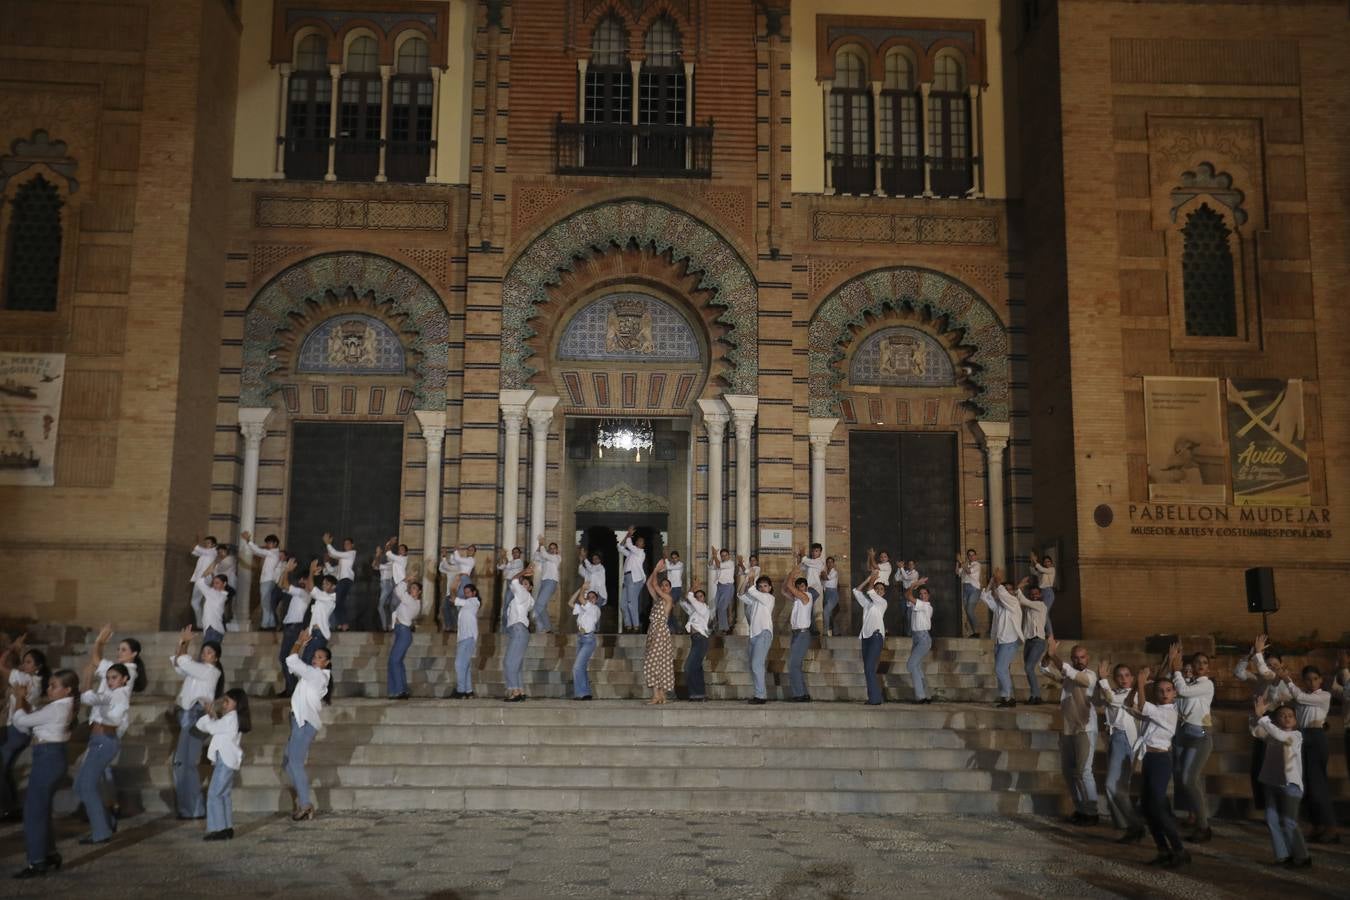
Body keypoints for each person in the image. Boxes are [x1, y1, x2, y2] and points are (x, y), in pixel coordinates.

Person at [9, 668, 79, 879]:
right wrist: (25, 702)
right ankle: (48, 854)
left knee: (33, 812)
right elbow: (32, 720)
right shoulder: (60, 706)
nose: (49, 689)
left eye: (54, 686)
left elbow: (21, 721)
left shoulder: (58, 708)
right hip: (49, 756)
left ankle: (37, 862)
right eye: (49, 685)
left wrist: (20, 698)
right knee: (41, 809)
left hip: (48, 758)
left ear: (67, 690)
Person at [1127, 667, 1190, 867]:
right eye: (1161, 690)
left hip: (1161, 762)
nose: (1164, 693)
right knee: (1147, 807)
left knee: (1157, 808)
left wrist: (1140, 683)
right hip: (1148, 760)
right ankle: (1162, 850)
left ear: (1175, 693)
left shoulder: (1170, 713)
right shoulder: (1156, 710)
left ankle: (1179, 850)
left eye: (1168, 690)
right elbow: (1131, 705)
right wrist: (1137, 686)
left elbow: (1144, 706)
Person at [1273, 660, 1337, 843]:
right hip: (1302, 737)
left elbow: (1300, 698)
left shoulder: (1324, 695)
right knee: (1306, 785)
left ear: (1320, 680)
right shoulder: (1300, 694)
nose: (1311, 682)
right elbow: (1280, 697)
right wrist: (1279, 677)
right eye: (1308, 680)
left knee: (1318, 785)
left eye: (1315, 679)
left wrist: (1288, 679)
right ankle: (1317, 825)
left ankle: (1331, 827)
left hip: (1316, 738)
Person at [73, 656, 130, 846]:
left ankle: (101, 832)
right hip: (96, 740)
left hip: (105, 742)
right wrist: (87, 677)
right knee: (80, 785)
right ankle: (106, 822)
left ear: (124, 679)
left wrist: (88, 678)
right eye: (108, 678)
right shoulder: (110, 693)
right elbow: (88, 697)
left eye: (114, 677)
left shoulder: (120, 695)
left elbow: (113, 720)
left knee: (86, 786)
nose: (110, 681)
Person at [1043, 638, 1100, 825]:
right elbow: (1046, 670)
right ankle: (1080, 809)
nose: (1079, 660)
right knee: (1068, 772)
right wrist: (1047, 656)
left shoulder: (1090, 676)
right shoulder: (1069, 676)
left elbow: (1071, 673)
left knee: (1084, 771)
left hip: (1085, 729)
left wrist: (1054, 656)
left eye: (1082, 657)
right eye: (1075, 658)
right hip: (1068, 729)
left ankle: (1092, 813)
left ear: (1088, 658)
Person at [170, 626, 223, 820]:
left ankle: (195, 809)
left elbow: (183, 660)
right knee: (181, 764)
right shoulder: (197, 670)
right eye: (204, 651)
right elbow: (178, 664)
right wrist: (181, 643)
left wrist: (185, 642)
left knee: (187, 763)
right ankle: (188, 808)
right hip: (186, 715)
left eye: (209, 653)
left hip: (196, 716)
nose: (204, 654)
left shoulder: (210, 671)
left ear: (216, 659)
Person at [1252, 696, 1311, 867]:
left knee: (1289, 822)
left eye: (1290, 715)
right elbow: (1255, 730)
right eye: (1282, 715)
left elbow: (1279, 736)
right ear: (1275, 720)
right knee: (1271, 819)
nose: (1287, 717)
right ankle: (1283, 855)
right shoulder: (1271, 733)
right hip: (1271, 783)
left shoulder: (1295, 735)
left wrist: (1263, 719)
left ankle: (1303, 857)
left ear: (1295, 720)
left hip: (1290, 785)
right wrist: (1257, 714)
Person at [1236, 634, 1292, 810]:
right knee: (1257, 769)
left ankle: (1277, 807)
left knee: (1273, 772)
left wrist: (1259, 653)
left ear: (1282, 667)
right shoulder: (1260, 679)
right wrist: (1249, 656)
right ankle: (1265, 807)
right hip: (1260, 732)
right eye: (1270, 665)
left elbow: (1269, 680)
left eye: (1276, 665)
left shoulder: (1280, 682)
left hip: (1274, 733)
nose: (1273, 668)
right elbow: (1238, 672)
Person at [1166, 642, 1214, 843]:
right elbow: (1178, 696)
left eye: (1204, 662)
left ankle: (1204, 825)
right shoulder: (1191, 684)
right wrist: (1172, 664)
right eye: (1197, 663)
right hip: (1185, 734)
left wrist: (1176, 670)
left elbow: (1183, 691)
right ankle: (1199, 820)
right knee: (1189, 779)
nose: (1200, 665)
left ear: (1208, 667)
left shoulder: (1206, 684)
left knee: (1188, 779)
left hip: (1199, 736)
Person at [283, 628, 331, 821]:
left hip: (304, 723)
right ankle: (304, 799)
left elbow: (292, 660)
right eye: (315, 656)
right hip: (299, 721)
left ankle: (305, 804)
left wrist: (299, 643)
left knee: (294, 763)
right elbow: (294, 666)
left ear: (327, 663)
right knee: (288, 763)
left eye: (320, 657)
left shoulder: (317, 676)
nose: (315, 659)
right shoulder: (312, 675)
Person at [0, 636, 48, 822]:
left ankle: (8, 808)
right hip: (21, 732)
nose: (23, 664)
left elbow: (1, 664)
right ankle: (12, 808)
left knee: (2, 769)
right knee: (5, 770)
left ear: (37, 667)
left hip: (16, 731)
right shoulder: (35, 680)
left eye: (28, 662)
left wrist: (12, 648)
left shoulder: (25, 678)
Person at [1096, 660, 1144, 842]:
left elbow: (1112, 700)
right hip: (1114, 739)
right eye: (1119, 676)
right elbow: (1101, 699)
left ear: (1132, 678)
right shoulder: (1114, 692)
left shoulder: (1134, 694)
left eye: (1127, 675)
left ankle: (1135, 825)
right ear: (1115, 679)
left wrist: (1102, 680)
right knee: (1116, 786)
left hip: (1124, 740)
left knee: (1113, 786)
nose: (1123, 679)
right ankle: (1124, 824)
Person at [196, 688, 250, 841]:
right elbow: (202, 726)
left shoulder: (230, 718)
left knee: (214, 794)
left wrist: (209, 714)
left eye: (228, 701)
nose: (224, 703)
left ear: (237, 704)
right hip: (226, 760)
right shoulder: (230, 718)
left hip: (225, 760)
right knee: (224, 794)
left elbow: (210, 728)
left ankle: (217, 829)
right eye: (224, 700)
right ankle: (226, 827)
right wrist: (211, 716)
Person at [982, 570, 1024, 708]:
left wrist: (999, 580)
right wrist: (991, 582)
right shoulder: (999, 606)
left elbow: (1002, 594)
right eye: (1006, 589)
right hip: (1000, 642)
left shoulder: (1014, 602)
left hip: (1010, 642)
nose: (1007, 592)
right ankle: (1006, 697)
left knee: (1000, 669)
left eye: (1010, 590)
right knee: (1003, 670)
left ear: (1013, 592)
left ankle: (1007, 697)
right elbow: (985, 597)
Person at [741, 571, 778, 705]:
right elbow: (741, 594)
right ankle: (758, 693)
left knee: (757, 664)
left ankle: (761, 696)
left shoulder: (769, 598)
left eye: (765, 586)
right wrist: (746, 579)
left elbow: (751, 590)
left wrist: (751, 579)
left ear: (770, 587)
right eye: (760, 586)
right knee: (754, 666)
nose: (763, 588)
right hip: (753, 635)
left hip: (764, 633)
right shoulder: (755, 599)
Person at [277, 559, 312, 696]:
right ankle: (290, 687)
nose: (301, 582)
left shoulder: (304, 593)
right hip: (291, 627)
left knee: (285, 658)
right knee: (286, 658)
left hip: (294, 627)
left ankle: (292, 688)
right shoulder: (300, 592)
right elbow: (281, 585)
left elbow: (285, 585)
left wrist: (286, 570)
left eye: (303, 580)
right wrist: (284, 571)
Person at [642, 561, 675, 705]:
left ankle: (656, 695)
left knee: (652, 662)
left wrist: (656, 570)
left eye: (666, 586)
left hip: (660, 631)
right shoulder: (657, 600)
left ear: (670, 589)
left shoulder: (668, 599)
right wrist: (654, 572)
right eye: (663, 585)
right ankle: (661, 696)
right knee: (660, 663)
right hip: (653, 630)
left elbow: (655, 586)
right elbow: (650, 585)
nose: (663, 587)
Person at [853, 570, 887, 706]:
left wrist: (873, 579)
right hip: (866, 638)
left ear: (883, 593)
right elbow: (856, 591)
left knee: (869, 667)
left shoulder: (882, 603)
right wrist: (868, 579)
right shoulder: (868, 604)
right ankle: (874, 697)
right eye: (877, 588)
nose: (878, 590)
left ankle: (875, 699)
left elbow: (870, 591)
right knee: (868, 669)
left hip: (876, 637)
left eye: (881, 589)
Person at [502, 568, 535, 702]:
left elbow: (513, 580)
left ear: (530, 587)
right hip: (520, 631)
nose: (523, 585)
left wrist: (523, 572)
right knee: (517, 664)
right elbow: (513, 585)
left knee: (509, 662)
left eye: (526, 584)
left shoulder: (523, 594)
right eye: (523, 583)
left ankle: (514, 691)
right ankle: (520, 690)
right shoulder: (528, 599)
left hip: (518, 630)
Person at [386, 575, 420, 700]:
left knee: (394, 661)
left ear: (419, 592)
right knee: (397, 662)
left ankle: (398, 690)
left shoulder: (412, 601)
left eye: (414, 588)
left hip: (404, 632)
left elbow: (398, 591)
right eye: (411, 588)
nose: (411, 589)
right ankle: (400, 690)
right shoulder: (410, 601)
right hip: (401, 632)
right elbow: (396, 611)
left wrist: (406, 580)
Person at [1015, 578, 1048, 706]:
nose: (1034, 596)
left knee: (1028, 667)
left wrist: (1020, 586)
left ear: (1040, 595)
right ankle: (1035, 695)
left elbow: (1022, 600)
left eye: (1036, 594)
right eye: (1032, 594)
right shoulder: (1028, 607)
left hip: (1038, 641)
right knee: (1028, 669)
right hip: (1029, 641)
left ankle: (1036, 696)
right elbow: (1019, 601)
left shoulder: (1041, 605)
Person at [241, 530, 283, 630]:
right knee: (266, 603)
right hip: (267, 580)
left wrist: (249, 540)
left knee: (265, 603)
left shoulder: (273, 553)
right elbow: (257, 551)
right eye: (267, 543)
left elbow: (258, 551)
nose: (267, 545)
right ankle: (271, 624)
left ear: (275, 543)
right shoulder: (271, 553)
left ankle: (265, 625)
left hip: (268, 581)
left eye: (269, 543)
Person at [904, 578, 933, 704]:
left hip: (923, 639)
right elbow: (907, 595)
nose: (922, 596)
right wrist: (913, 586)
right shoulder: (917, 604)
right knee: (918, 667)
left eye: (925, 594)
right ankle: (927, 695)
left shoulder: (926, 606)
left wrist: (914, 584)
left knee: (911, 665)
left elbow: (908, 595)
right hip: (916, 638)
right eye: (920, 594)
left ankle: (920, 696)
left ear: (929, 596)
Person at [786, 571, 813, 702]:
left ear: (806, 587)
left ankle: (799, 694)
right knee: (796, 665)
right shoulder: (797, 599)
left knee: (793, 665)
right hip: (796, 634)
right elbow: (784, 590)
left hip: (802, 634)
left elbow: (789, 587)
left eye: (802, 586)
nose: (800, 589)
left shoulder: (807, 596)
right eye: (798, 587)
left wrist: (792, 573)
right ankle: (804, 694)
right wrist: (789, 577)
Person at [681, 584, 711, 702]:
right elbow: (684, 603)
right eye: (697, 597)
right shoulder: (694, 611)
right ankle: (699, 694)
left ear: (704, 599)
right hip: (695, 640)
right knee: (696, 667)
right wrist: (690, 591)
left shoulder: (704, 608)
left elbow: (691, 600)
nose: (699, 599)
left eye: (701, 596)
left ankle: (696, 693)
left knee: (688, 667)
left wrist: (691, 594)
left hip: (701, 639)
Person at [570, 586, 601, 700]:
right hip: (580, 639)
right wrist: (579, 590)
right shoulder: (584, 608)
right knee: (581, 667)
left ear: (596, 599)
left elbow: (581, 599)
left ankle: (580, 694)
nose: (591, 599)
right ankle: (586, 693)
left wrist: (583, 589)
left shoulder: (595, 609)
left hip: (588, 640)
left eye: (593, 597)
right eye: (589, 597)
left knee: (577, 667)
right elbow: (570, 602)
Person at [322, 533, 358, 630]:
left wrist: (328, 543)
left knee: (338, 602)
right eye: (344, 544)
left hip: (345, 581)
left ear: (352, 545)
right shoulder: (342, 561)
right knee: (338, 603)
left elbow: (334, 553)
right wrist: (326, 561)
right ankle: (342, 624)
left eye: (348, 543)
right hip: (341, 581)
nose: (345, 545)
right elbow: (331, 570)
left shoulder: (351, 553)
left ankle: (343, 623)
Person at [305, 561, 338, 664]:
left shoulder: (329, 598)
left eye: (327, 584)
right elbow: (309, 588)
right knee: (310, 663)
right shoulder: (322, 596)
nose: (324, 586)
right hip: (315, 634)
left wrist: (311, 571)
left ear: (333, 587)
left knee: (308, 662)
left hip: (319, 635)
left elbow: (311, 588)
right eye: (323, 584)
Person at [439, 544, 478, 630]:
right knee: (448, 605)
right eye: (468, 549)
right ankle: (450, 625)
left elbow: (458, 559)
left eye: (471, 550)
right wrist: (445, 555)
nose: (469, 551)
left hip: (464, 580)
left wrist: (456, 550)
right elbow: (446, 566)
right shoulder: (461, 564)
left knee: (459, 603)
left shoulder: (471, 560)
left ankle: (460, 626)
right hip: (459, 581)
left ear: (474, 552)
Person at [452, 585, 481, 698]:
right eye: (465, 592)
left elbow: (454, 599)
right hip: (464, 638)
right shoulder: (467, 604)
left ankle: (461, 691)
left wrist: (453, 587)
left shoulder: (474, 602)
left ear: (474, 593)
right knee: (465, 666)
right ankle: (468, 691)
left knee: (459, 664)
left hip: (468, 637)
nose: (466, 594)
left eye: (468, 592)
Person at [617, 529, 647, 634]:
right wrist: (627, 536)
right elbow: (620, 547)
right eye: (637, 540)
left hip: (635, 579)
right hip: (627, 579)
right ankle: (628, 624)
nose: (638, 541)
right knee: (623, 604)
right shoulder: (631, 554)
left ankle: (636, 625)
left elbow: (629, 545)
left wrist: (629, 534)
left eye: (641, 541)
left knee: (631, 603)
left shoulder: (640, 553)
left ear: (643, 545)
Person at [188, 536, 218, 628]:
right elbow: (193, 553)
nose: (206, 544)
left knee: (198, 602)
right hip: (200, 579)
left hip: (204, 579)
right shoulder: (205, 552)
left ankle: (204, 624)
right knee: (196, 602)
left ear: (214, 545)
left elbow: (196, 548)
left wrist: (195, 542)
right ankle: (201, 623)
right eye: (205, 542)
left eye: (208, 543)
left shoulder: (213, 552)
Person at [532, 538, 561, 633]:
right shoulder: (546, 558)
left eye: (554, 548)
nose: (552, 550)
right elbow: (536, 557)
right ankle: (547, 628)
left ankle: (532, 619)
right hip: (544, 582)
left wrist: (542, 544)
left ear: (557, 550)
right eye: (551, 548)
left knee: (538, 604)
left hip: (551, 582)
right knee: (542, 606)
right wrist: (539, 547)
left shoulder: (557, 558)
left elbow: (544, 554)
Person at [196, 567, 230, 646]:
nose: (214, 585)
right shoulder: (220, 595)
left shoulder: (214, 594)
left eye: (217, 583)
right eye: (213, 583)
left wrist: (214, 563)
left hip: (213, 630)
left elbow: (199, 582)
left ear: (224, 584)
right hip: (215, 630)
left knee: (205, 657)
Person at [496, 547, 525, 630]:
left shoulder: (519, 562)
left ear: (520, 554)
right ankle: (506, 625)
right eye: (513, 552)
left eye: (517, 552)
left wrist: (504, 557)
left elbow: (509, 566)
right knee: (506, 604)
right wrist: (501, 558)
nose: (515, 554)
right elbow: (500, 567)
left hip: (515, 584)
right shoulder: (511, 562)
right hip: (509, 583)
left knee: (508, 604)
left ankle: (507, 626)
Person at [956, 549, 982, 638]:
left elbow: (968, 571)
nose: (971, 557)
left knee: (970, 610)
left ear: (975, 556)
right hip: (965, 588)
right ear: (967, 556)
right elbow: (957, 572)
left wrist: (960, 561)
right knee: (967, 611)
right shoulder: (965, 565)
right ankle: (973, 632)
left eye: (972, 555)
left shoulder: (977, 564)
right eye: (969, 555)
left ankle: (977, 631)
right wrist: (957, 562)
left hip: (974, 589)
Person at [373, 538, 397, 632]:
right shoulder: (387, 563)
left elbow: (376, 566)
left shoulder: (391, 563)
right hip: (384, 584)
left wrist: (388, 544)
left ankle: (385, 627)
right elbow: (374, 566)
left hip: (388, 584)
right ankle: (389, 625)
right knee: (387, 606)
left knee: (381, 606)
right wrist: (377, 555)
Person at [577, 547, 609, 618]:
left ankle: (594, 628)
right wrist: (581, 561)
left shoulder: (601, 568)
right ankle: (590, 627)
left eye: (596, 558)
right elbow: (581, 571)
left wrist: (584, 558)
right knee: (590, 611)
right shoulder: (590, 568)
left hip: (599, 594)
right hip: (591, 594)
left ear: (600, 560)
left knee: (594, 611)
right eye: (593, 558)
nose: (594, 560)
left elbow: (592, 570)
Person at [711, 546, 736, 635]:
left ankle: (724, 628)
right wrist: (712, 556)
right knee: (718, 607)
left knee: (722, 608)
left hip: (727, 587)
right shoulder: (720, 562)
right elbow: (710, 566)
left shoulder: (730, 563)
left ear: (729, 556)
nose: (724, 557)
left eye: (725, 555)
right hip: (720, 587)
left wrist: (715, 555)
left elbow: (718, 565)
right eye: (722, 555)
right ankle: (725, 627)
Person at [1031, 551, 1056, 635]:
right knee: (1042, 613)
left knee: (1044, 613)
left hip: (1048, 592)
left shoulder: (1051, 569)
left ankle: (1050, 635)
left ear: (1051, 562)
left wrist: (1035, 561)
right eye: (1045, 562)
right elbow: (1033, 572)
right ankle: (1046, 633)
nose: (1047, 563)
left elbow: (1041, 568)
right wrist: (1032, 561)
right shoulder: (1042, 573)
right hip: (1042, 593)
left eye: (1048, 561)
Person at [665, 550, 685, 631]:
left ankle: (673, 628)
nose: (674, 559)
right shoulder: (669, 564)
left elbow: (669, 568)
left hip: (677, 589)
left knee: (670, 608)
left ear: (678, 558)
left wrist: (666, 559)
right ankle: (675, 628)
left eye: (675, 558)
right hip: (670, 589)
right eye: (672, 558)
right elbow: (665, 568)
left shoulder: (680, 564)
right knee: (669, 610)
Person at [821, 557, 840, 637]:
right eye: (828, 562)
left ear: (833, 563)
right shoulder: (825, 572)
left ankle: (826, 631)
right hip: (826, 593)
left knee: (825, 611)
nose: (829, 563)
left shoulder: (834, 572)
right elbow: (822, 582)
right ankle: (836, 631)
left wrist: (822, 573)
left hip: (833, 594)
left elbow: (826, 578)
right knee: (829, 614)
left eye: (831, 562)